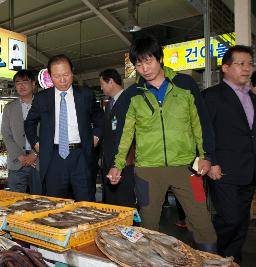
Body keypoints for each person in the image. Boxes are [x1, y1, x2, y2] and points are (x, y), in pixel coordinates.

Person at [107, 35, 217, 252]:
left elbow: (200, 123)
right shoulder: (133, 94)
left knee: (202, 221)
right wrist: (117, 164)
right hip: (148, 171)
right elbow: (126, 133)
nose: (144, 68)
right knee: (149, 225)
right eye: (139, 64)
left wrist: (207, 155)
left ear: (160, 58)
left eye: (148, 61)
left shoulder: (185, 85)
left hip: (188, 168)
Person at [203, 45, 256, 263]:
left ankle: (233, 260)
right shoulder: (211, 96)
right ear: (225, 68)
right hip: (223, 170)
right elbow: (205, 133)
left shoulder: (253, 99)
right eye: (240, 64)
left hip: (249, 170)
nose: (247, 69)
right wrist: (211, 161)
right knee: (230, 219)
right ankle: (217, 257)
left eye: (250, 64)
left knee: (242, 221)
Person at [24, 54, 104, 201]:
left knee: (85, 203)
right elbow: (29, 123)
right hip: (54, 158)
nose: (62, 80)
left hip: (81, 156)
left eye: (66, 75)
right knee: (55, 204)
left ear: (72, 72)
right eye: (57, 76)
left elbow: (99, 117)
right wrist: (36, 144)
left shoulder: (86, 95)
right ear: (50, 76)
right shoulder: (42, 98)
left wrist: (96, 136)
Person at [99, 69, 136, 207]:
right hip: (109, 160)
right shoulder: (109, 104)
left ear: (111, 82)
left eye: (102, 84)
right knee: (112, 201)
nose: (101, 88)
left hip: (124, 161)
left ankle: (129, 227)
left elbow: (130, 133)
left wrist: (128, 157)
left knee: (124, 200)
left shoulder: (128, 100)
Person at [1, 70, 42, 194]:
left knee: (40, 200)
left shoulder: (43, 105)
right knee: (16, 200)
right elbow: (6, 134)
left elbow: (49, 132)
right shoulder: (9, 108)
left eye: (25, 82)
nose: (21, 86)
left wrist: (34, 154)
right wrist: (20, 156)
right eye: (18, 83)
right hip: (17, 162)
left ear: (33, 84)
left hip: (39, 161)